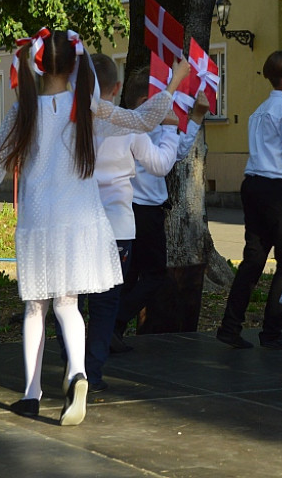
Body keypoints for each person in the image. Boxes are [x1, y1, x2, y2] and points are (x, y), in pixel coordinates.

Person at [0, 29, 188, 426]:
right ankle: (77, 372)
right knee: (68, 304)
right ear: (76, 64)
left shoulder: (23, 110)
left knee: (35, 307)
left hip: (39, 221)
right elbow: (144, 119)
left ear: (37, 63)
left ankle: (30, 394)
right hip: (81, 219)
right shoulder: (89, 109)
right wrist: (176, 80)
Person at [81, 55, 206, 390]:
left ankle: (74, 366)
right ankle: (91, 373)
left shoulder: (70, 121)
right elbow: (163, 162)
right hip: (121, 222)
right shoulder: (127, 123)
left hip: (80, 220)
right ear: (118, 88)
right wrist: (167, 125)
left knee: (75, 298)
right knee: (106, 300)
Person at [111, 65, 208, 351]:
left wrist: (196, 118)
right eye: (165, 100)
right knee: (153, 275)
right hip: (142, 211)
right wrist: (171, 124)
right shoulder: (140, 128)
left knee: (130, 277)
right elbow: (169, 157)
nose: (171, 107)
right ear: (145, 103)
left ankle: (112, 331)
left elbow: (175, 150)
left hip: (137, 211)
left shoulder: (136, 126)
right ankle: (111, 322)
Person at [216, 50, 282, 350]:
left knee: (254, 258)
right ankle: (271, 330)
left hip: (253, 183)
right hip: (277, 187)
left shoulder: (260, 110)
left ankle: (230, 326)